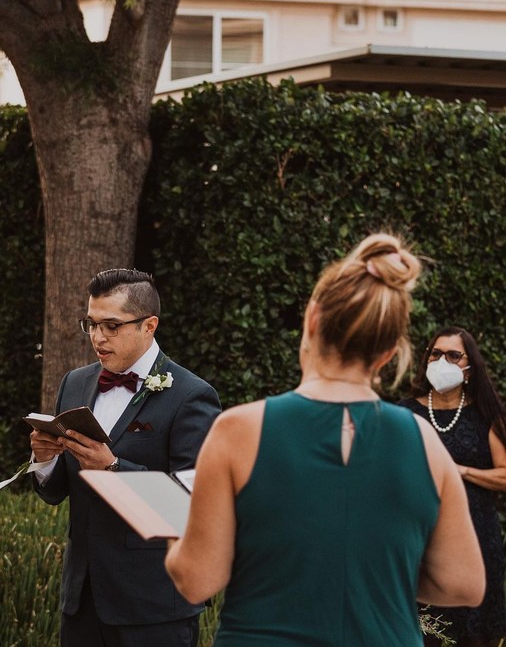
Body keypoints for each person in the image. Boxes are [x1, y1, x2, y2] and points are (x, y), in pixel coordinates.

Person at [166, 234, 485, 647]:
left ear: (312, 319)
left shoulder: (237, 431)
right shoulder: (424, 441)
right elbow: (464, 583)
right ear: (388, 352)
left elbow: (196, 580)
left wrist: (177, 529)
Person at [30, 268, 221, 647]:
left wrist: (113, 468)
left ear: (149, 325)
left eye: (112, 326)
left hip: (154, 607)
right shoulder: (75, 383)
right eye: (91, 324)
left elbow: (189, 511)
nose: (98, 338)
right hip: (82, 602)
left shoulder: (191, 396)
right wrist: (45, 460)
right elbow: (56, 492)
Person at [400, 326, 506, 647]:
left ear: (469, 366)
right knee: (425, 634)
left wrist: (458, 471)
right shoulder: (405, 412)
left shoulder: (485, 415)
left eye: (453, 355)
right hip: (421, 540)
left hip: (477, 537)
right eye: (435, 353)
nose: (442, 361)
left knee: (475, 635)